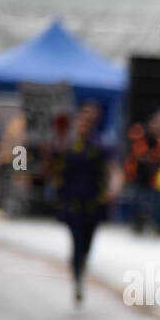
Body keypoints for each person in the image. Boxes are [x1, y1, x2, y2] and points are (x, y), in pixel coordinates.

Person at [51, 102, 121, 306]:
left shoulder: (101, 146)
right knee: (77, 240)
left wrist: (114, 188)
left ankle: (80, 268)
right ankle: (77, 277)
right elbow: (51, 168)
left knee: (87, 244)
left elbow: (113, 170)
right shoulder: (66, 144)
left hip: (93, 203)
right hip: (71, 202)